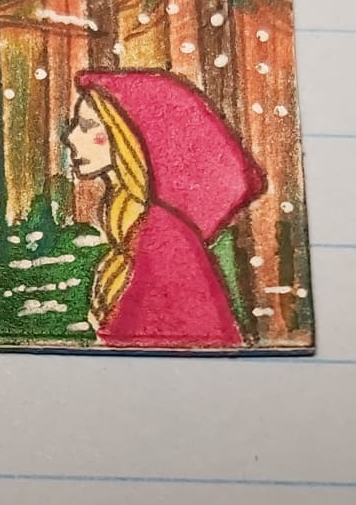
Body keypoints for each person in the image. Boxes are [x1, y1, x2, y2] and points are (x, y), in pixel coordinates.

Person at [64, 68, 265, 349]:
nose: (71, 137)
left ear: (127, 137)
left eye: (87, 125)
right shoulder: (131, 231)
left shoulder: (163, 236)